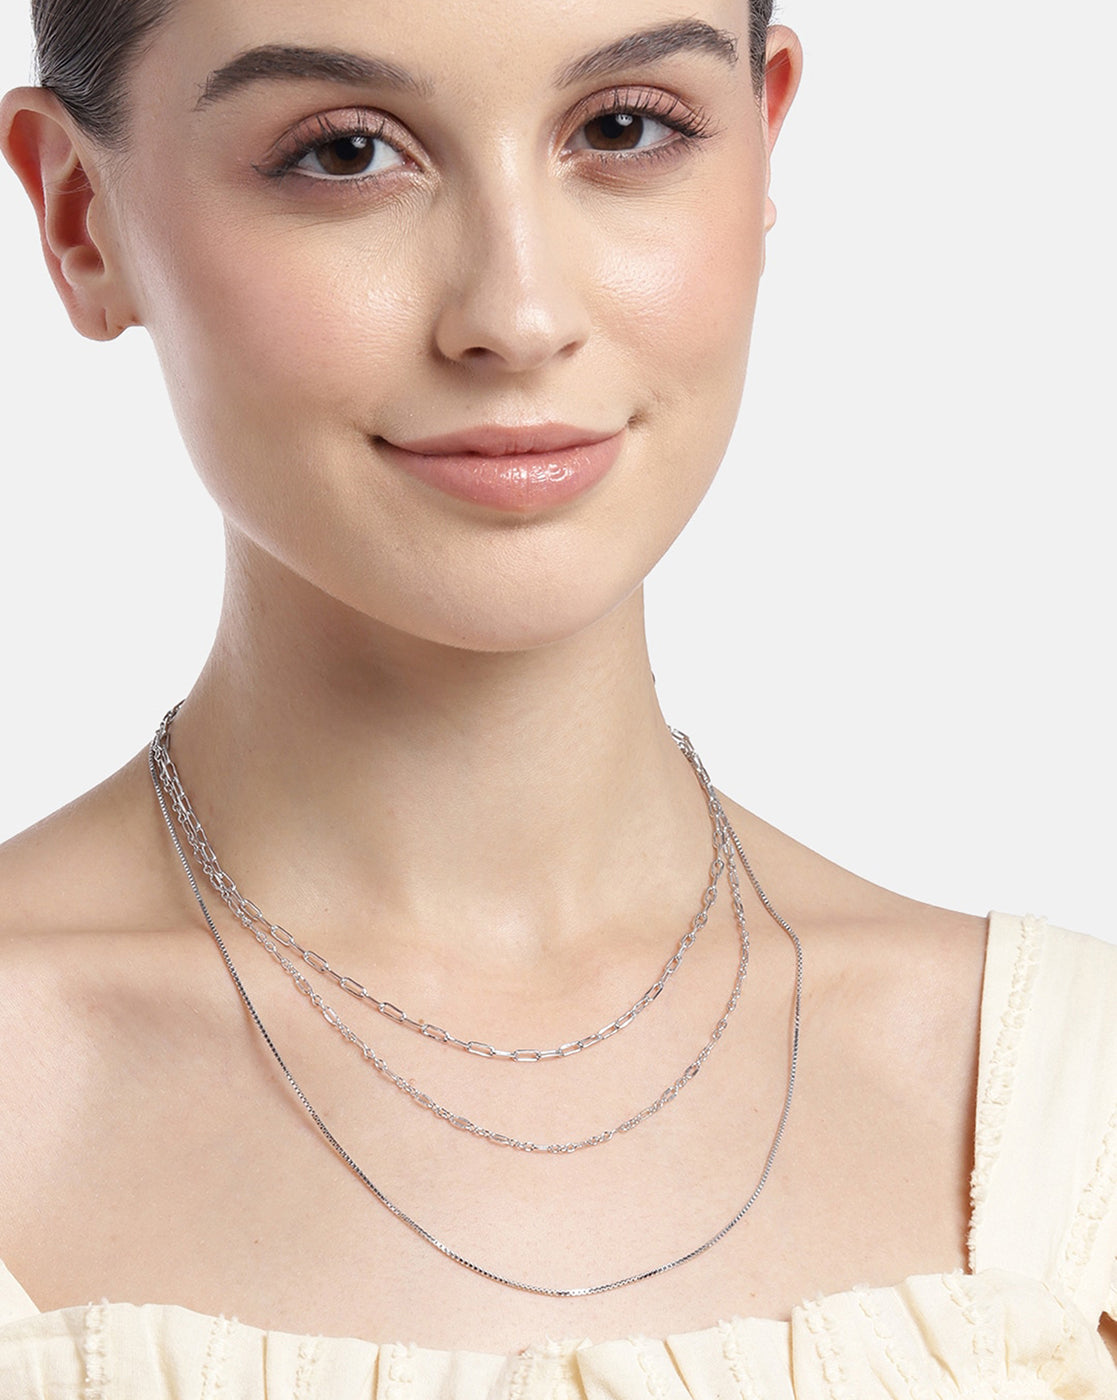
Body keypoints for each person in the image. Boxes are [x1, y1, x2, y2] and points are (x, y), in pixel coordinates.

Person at [0, 1, 1114, 1396]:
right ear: (80, 218)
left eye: (625, 128)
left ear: (766, 137)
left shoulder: (1073, 1113)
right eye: (345, 153)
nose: (516, 317)